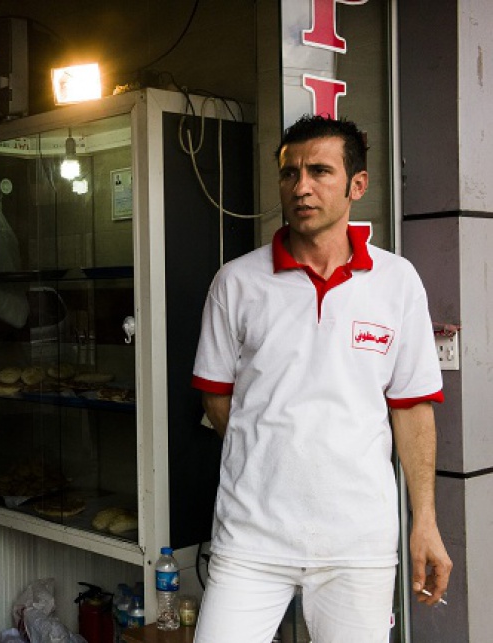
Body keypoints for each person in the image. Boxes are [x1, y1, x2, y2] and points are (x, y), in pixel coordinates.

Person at [191, 114, 452, 642]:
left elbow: (412, 409)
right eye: (290, 173)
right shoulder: (237, 282)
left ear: (358, 184)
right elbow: (219, 403)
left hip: (358, 544)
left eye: (319, 171)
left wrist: (424, 520)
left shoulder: (397, 283)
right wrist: (272, 454)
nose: (301, 187)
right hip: (251, 540)